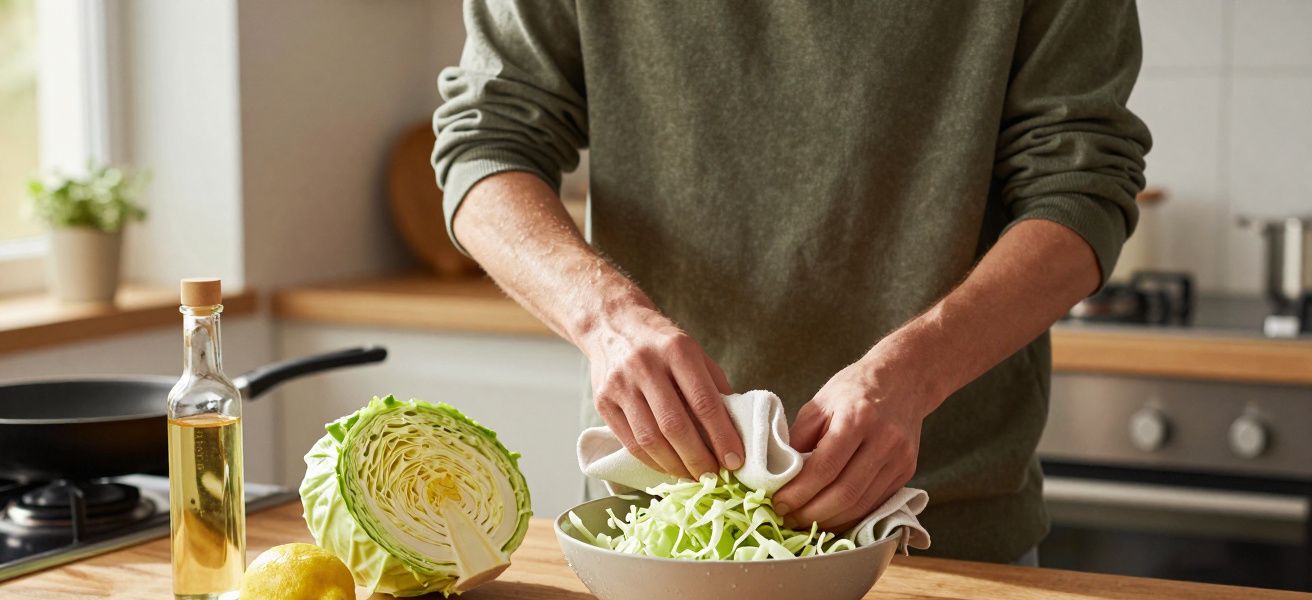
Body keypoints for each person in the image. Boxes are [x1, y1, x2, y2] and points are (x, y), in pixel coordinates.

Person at [433, 1, 1150, 564]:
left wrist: (916, 372)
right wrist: (605, 318)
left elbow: (1081, 186)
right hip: (660, 526)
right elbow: (486, 138)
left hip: (943, 527)